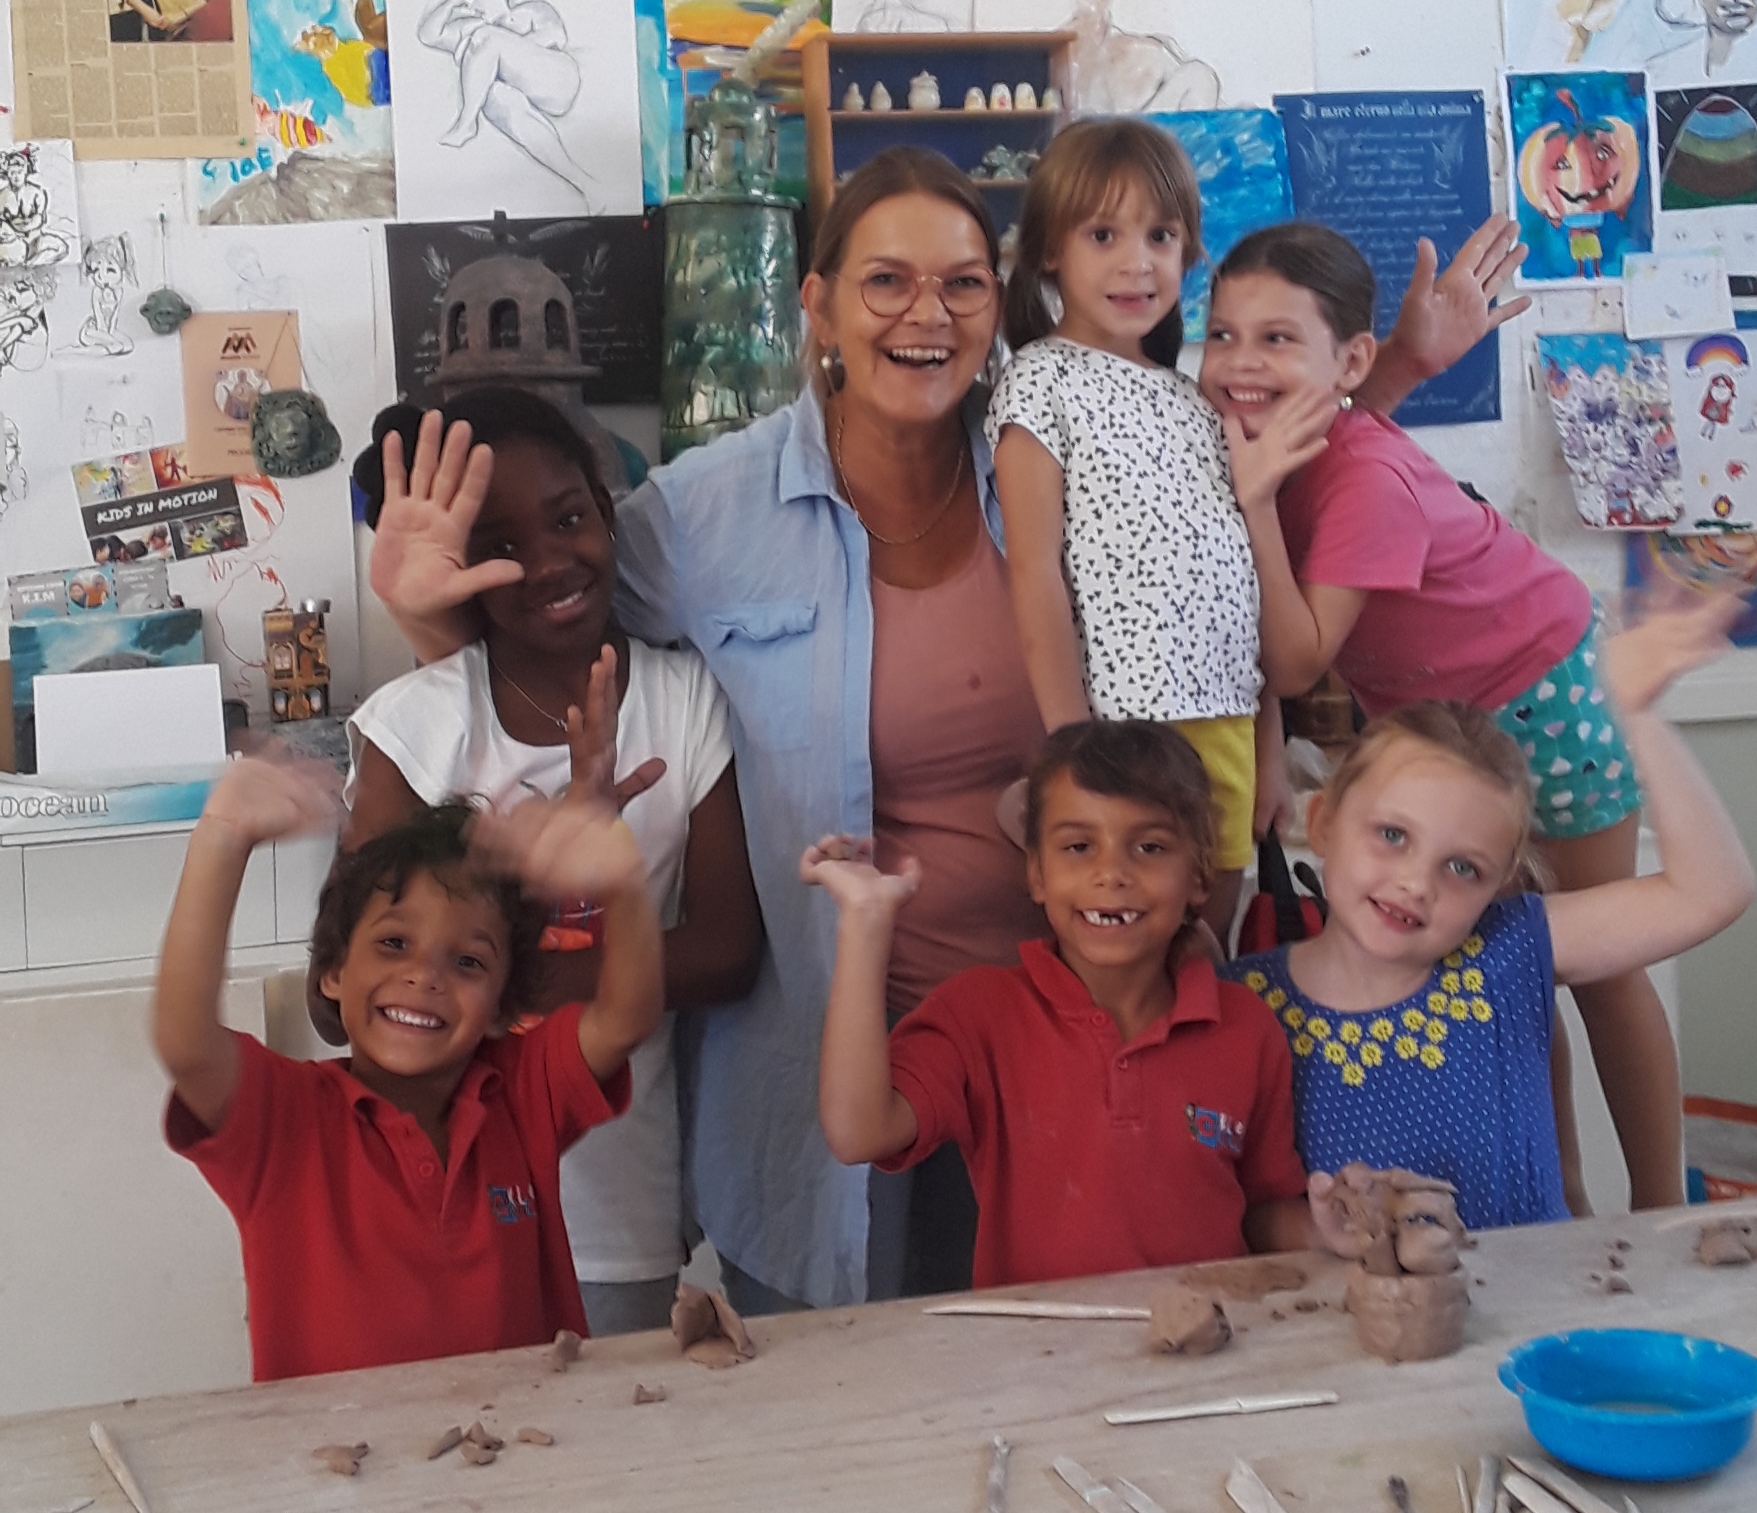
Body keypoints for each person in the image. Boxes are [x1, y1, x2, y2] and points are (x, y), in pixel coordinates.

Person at [371, 148, 1515, 1315]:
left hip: (1079, 1053)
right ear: (818, 305)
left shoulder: (1074, 447)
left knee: (1068, 1364)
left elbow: (1221, 560)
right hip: (820, 1076)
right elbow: (548, 647)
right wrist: (426, 615)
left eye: (963, 284)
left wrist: (1395, 373)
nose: (927, 315)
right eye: (886, 282)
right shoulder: (709, 512)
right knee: (847, 1401)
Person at [1204, 220, 1696, 1209]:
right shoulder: (1287, 442)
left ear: (1343, 358)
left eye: (1275, 338)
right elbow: (1344, 413)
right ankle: (1555, 1198)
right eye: (1222, 334)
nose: (1240, 362)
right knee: (1494, 971)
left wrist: (1252, 504)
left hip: (1550, 692)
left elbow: (1298, 654)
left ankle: (1661, 1209)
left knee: (1596, 969)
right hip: (1448, 731)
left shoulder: (1357, 479)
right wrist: (1402, 363)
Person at [348, 386, 760, 1336]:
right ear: (456, 569)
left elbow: (729, 952)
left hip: (615, 1210)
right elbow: (343, 994)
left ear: (607, 511)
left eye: (568, 518)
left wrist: (488, 972)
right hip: (429, 1209)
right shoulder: (415, 729)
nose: (545, 562)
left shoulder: (685, 700)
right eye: (498, 545)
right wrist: (564, 947)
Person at [152, 674, 665, 1381]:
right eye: (393, 944)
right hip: (337, 1449)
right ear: (333, 972)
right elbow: (185, 1042)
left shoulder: (521, 1095)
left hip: (523, 1442)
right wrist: (221, 839)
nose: (425, 976)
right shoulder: (287, 1121)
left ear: (505, 1006)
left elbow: (627, 1016)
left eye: (468, 961)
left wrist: (623, 883)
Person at [1223, 601, 1753, 1230]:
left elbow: (1711, 892)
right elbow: (1242, 1213)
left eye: (1462, 867)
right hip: (1347, 1296)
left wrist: (1641, 718)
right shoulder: (1241, 1005)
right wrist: (1324, 1236)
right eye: (1392, 835)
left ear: (1500, 883)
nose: (1416, 884)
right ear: (1324, 824)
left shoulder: (1509, 952)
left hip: (1544, 1293)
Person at [811, 720, 1312, 1285]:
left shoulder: (1246, 1027)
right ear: (1037, 874)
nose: (1111, 874)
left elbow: (1263, 1211)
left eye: (1149, 847)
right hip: (1041, 1341)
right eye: (1078, 847)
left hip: (1207, 1334)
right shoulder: (982, 1014)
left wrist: (1335, 1233)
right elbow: (858, 1132)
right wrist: (865, 922)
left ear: (1200, 874)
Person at [991, 117, 1263, 925]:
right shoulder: (1039, 381)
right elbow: (1033, 573)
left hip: (1230, 723)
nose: (1137, 262)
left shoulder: (1196, 400)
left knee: (1212, 952)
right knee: (1127, 957)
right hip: (1123, 733)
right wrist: (1072, 746)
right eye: (1103, 234)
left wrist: (1271, 749)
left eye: (1161, 236)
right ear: (1050, 249)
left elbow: (1239, 584)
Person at [416, 0, 609, 211]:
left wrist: (506, 44)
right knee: (495, 98)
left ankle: (466, 122)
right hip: (521, 87)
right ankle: (587, 187)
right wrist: (452, 3)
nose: (473, 0)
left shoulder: (528, 11)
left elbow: (556, 36)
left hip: (557, 77)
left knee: (486, 38)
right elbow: (429, 36)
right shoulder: (471, 26)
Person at [1056, 0, 1221, 113]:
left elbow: (1204, 90)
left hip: (1138, 129)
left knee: (1199, 75)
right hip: (1072, 131)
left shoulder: (1145, 50)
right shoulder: (1049, 51)